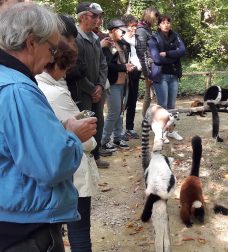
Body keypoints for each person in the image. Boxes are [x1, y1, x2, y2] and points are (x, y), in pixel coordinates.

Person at [0, 3, 97, 251]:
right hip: (27, 227)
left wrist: (57, 130)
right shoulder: (18, 90)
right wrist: (72, 136)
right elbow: (51, 165)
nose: (54, 57)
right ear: (31, 42)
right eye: (52, 48)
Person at [37, 36, 100, 252]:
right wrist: (89, 137)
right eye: (64, 68)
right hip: (73, 169)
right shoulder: (55, 93)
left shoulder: (34, 86)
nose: (65, 73)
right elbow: (86, 141)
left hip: (53, 168)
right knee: (80, 230)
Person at [74, 2, 110, 168]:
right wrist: (91, 89)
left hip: (97, 90)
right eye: (94, 15)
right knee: (86, 123)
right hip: (82, 92)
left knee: (98, 122)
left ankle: (95, 157)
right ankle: (85, 160)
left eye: (99, 16)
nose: (98, 19)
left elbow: (103, 64)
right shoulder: (76, 38)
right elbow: (75, 68)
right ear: (82, 17)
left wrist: (100, 86)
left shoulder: (96, 38)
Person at [149, 14, 186, 142]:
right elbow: (156, 58)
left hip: (174, 75)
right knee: (163, 106)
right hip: (161, 75)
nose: (166, 24)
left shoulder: (176, 36)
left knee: (172, 106)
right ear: (159, 24)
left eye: (168, 22)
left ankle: (171, 130)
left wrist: (168, 53)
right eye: (163, 22)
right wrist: (174, 57)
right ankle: (161, 133)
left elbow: (182, 50)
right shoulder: (154, 38)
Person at [100, 19, 132, 151]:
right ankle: (104, 140)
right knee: (113, 113)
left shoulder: (123, 43)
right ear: (112, 30)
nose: (124, 33)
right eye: (121, 31)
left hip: (124, 82)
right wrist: (124, 67)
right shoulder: (106, 44)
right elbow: (107, 65)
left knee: (119, 112)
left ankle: (118, 138)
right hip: (112, 83)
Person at [135, 6, 160, 116]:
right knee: (149, 95)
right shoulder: (141, 30)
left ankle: (147, 119)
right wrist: (147, 75)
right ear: (149, 16)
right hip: (148, 68)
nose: (156, 20)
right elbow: (141, 53)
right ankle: (146, 119)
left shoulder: (148, 29)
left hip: (153, 67)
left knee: (150, 95)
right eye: (155, 17)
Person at [121, 14, 142, 140]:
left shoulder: (137, 39)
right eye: (132, 26)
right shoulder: (121, 40)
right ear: (126, 26)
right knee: (123, 103)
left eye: (135, 26)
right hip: (123, 74)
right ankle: (118, 131)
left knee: (133, 101)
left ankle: (129, 128)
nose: (134, 29)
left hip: (135, 73)